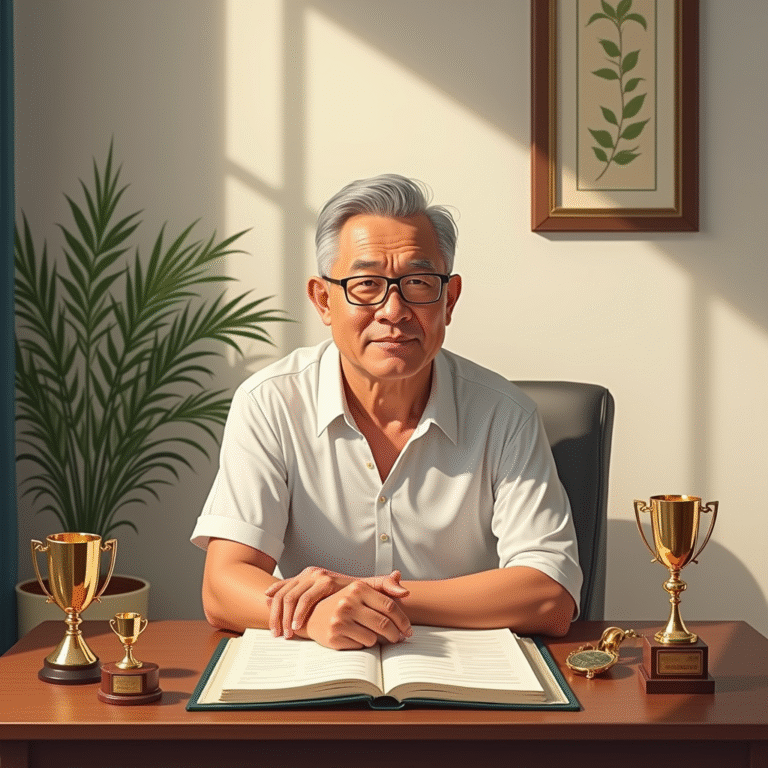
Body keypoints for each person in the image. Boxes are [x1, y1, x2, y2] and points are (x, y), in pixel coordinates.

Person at [191, 174, 582, 650]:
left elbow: (550, 595)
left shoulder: (505, 415)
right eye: (366, 284)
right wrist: (318, 616)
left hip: (461, 673)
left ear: (449, 300)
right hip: (319, 672)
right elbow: (223, 587)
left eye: (417, 283)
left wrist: (357, 598)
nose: (393, 310)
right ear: (323, 300)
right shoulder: (271, 402)